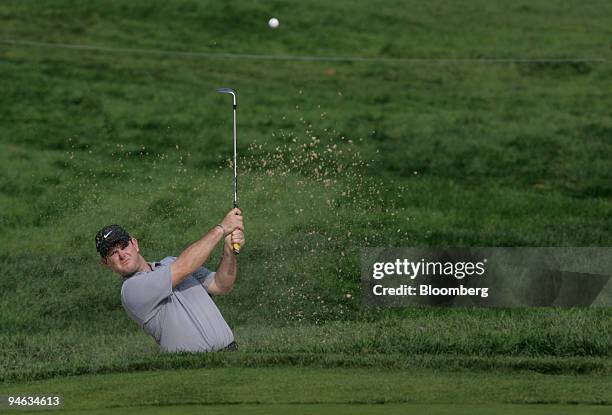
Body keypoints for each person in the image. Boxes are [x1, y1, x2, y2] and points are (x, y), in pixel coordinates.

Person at [95, 208, 244, 353]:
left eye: (123, 246)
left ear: (134, 244)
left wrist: (229, 252)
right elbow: (184, 268)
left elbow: (221, 285)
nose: (122, 254)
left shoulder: (170, 262)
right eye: (113, 253)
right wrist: (221, 229)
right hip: (191, 369)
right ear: (105, 262)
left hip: (231, 353)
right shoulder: (131, 289)